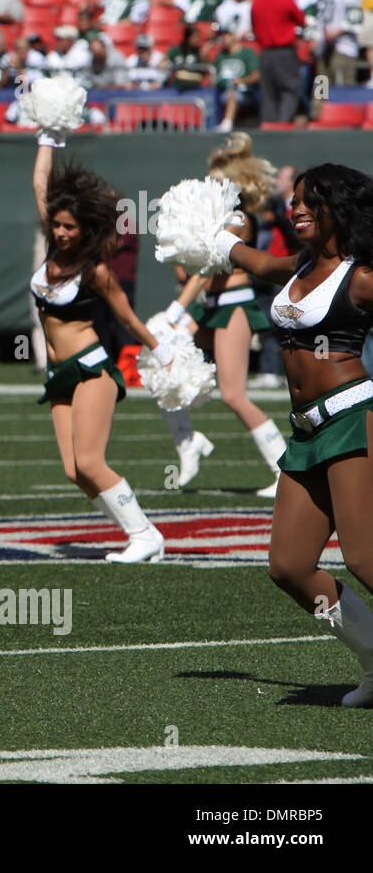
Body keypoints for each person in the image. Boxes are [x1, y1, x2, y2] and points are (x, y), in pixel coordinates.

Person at [211, 164, 373, 706]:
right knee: (289, 566)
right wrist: (206, 233)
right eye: (294, 201)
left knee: (364, 559)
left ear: (337, 210)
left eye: (310, 202)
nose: (296, 209)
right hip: (305, 432)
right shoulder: (296, 265)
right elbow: (254, 261)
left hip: (354, 419)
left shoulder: (361, 277)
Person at [30, 128, 175, 563]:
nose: (60, 232)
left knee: (91, 461)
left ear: (86, 228)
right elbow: (40, 186)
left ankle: (145, 534)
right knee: (74, 470)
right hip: (60, 375)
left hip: (92, 368)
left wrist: (161, 351)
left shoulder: (95, 270)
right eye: (56, 225)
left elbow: (127, 317)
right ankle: (138, 532)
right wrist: (47, 137)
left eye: (69, 227)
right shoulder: (52, 251)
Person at [160, 133, 288, 495]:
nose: (209, 186)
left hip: (233, 305)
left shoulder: (239, 220)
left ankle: (284, 469)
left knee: (234, 395)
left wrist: (178, 305)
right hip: (210, 306)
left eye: (217, 180)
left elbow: (210, 267)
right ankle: (188, 442)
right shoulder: (220, 218)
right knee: (162, 358)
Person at [252, 0, 307, 124]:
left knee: (268, 93)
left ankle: (270, 128)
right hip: (284, 52)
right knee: (290, 89)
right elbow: (302, 20)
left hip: (265, 54)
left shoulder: (256, 2)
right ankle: (282, 125)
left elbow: (255, 28)